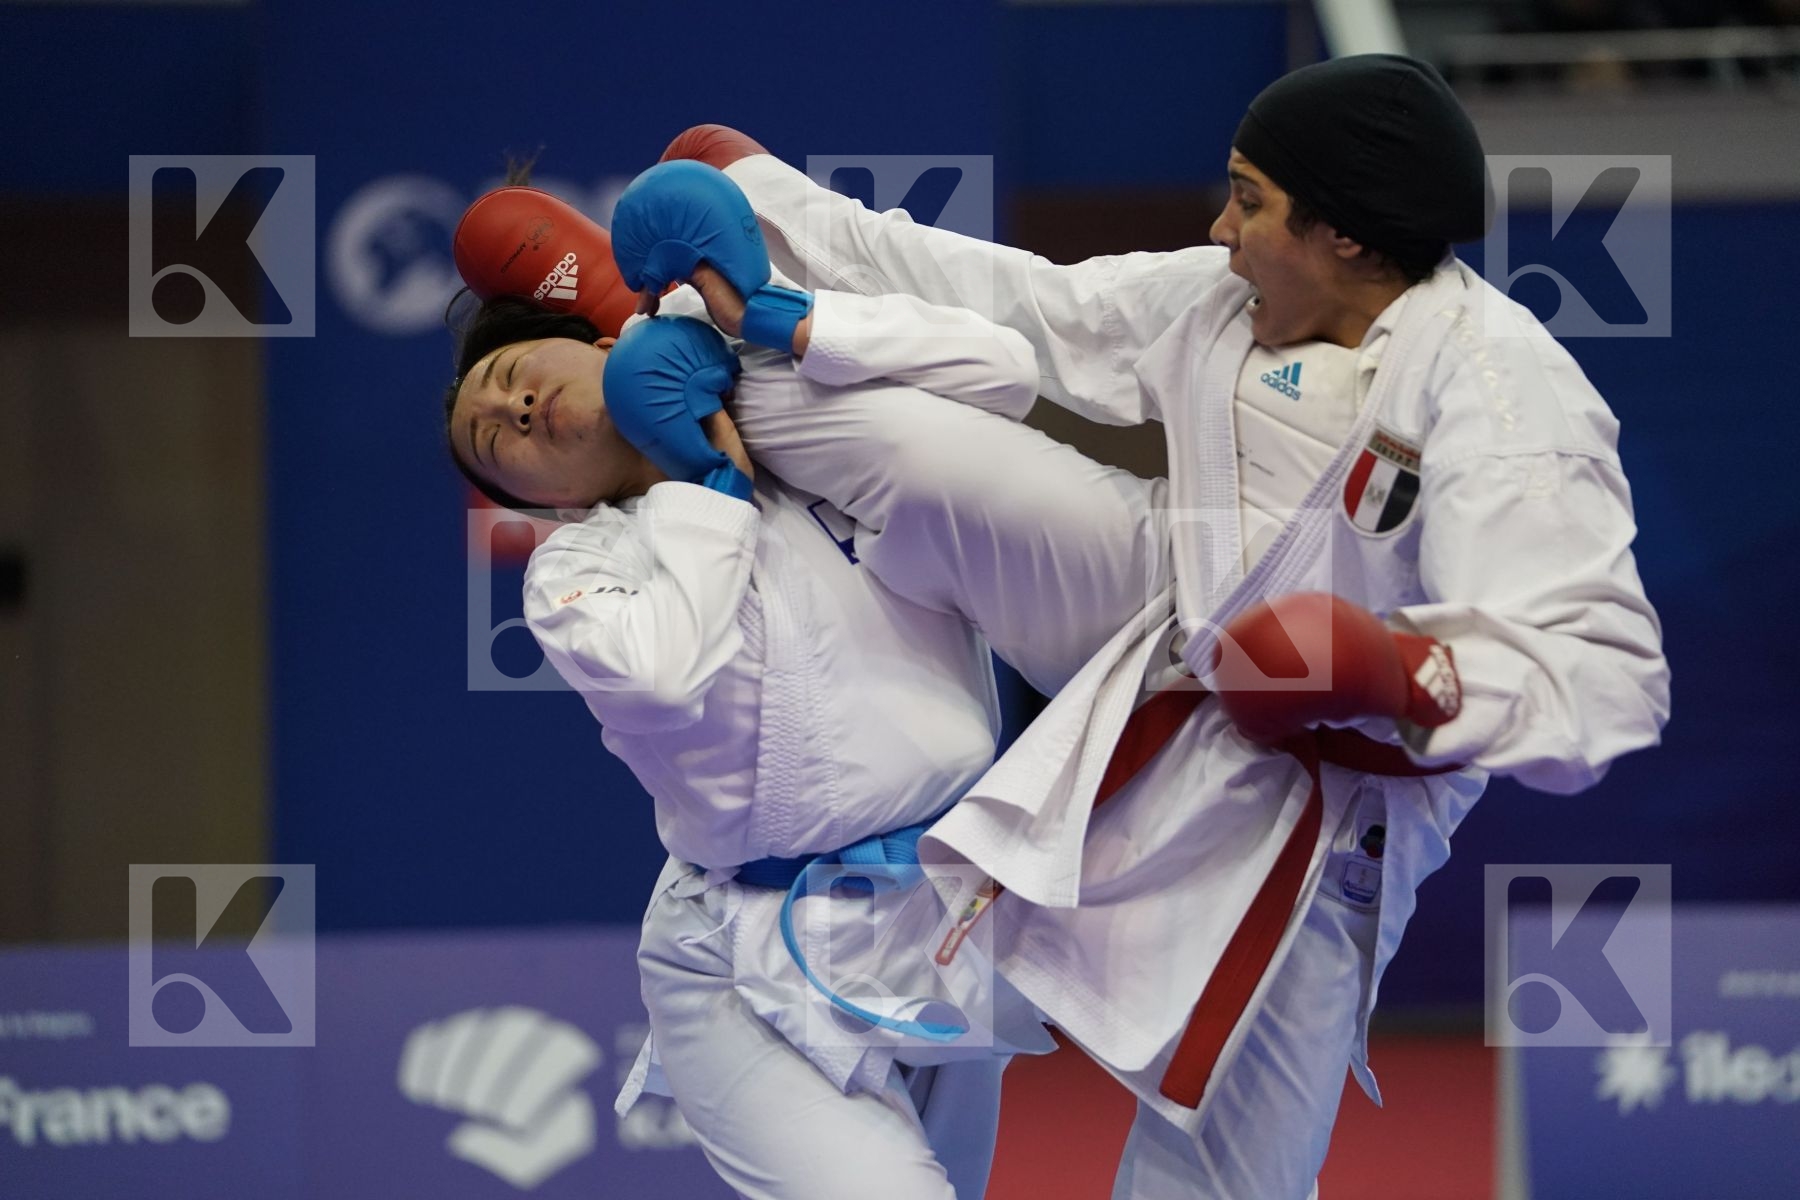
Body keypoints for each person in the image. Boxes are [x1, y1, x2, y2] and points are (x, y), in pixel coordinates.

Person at [653, 52, 1671, 1200]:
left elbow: (1605, 677)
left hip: (1326, 813)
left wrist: (1396, 670)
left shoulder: (1498, 391)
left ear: (1345, 235)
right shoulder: (1213, 302)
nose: (1219, 225)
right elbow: (1006, 295)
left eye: (1249, 198)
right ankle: (640, 366)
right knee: (909, 448)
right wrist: (767, 195)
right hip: (1157, 630)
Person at [443, 166, 1173, 1198]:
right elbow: (658, 677)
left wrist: (787, 324)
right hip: (744, 966)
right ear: (532, 504)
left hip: (939, 929)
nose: (515, 409)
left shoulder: (790, 400)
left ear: (602, 339)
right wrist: (710, 486)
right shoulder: (581, 571)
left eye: (514, 374)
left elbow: (1004, 368)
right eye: (495, 440)